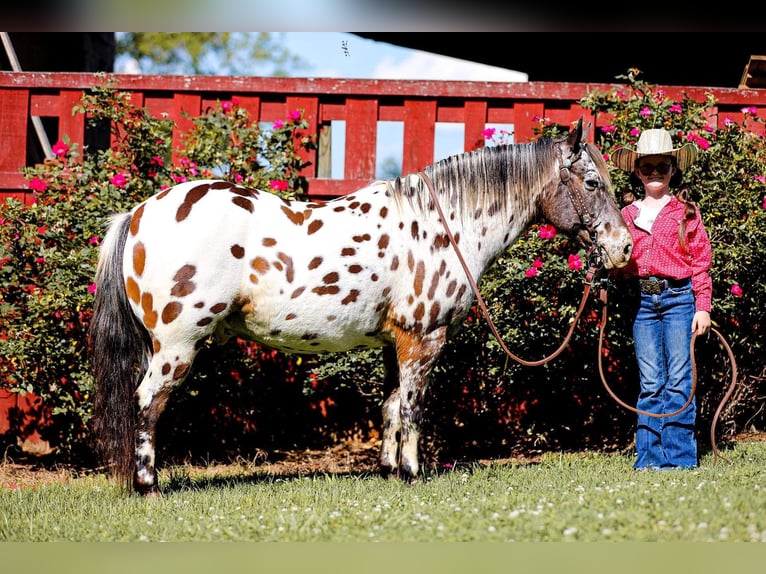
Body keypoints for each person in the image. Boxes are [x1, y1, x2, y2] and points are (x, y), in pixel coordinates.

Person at [611, 128, 712, 470]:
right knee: (652, 381)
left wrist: (703, 307)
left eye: (662, 167)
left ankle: (680, 459)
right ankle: (650, 459)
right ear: (637, 171)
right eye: (648, 167)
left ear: (672, 170)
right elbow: (620, 263)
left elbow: (700, 263)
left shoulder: (686, 213)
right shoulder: (626, 217)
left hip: (680, 300)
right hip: (643, 304)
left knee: (680, 379)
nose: (655, 173)